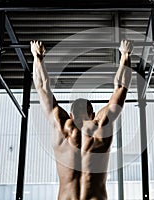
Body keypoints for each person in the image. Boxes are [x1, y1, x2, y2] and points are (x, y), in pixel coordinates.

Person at [30, 39, 133, 200]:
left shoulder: (62, 125)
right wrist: (125, 55)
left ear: (71, 115)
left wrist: (38, 57)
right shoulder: (100, 124)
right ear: (92, 114)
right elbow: (121, 87)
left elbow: (42, 87)